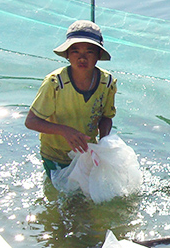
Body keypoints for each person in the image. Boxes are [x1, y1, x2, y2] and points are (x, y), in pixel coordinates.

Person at [25, 20, 117, 175]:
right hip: (55, 155)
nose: (82, 58)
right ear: (67, 54)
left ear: (98, 55)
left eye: (89, 52)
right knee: (65, 196)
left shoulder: (107, 83)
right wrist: (65, 131)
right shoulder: (55, 83)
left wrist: (103, 142)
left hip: (86, 152)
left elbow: (106, 117)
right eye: (75, 51)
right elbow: (31, 121)